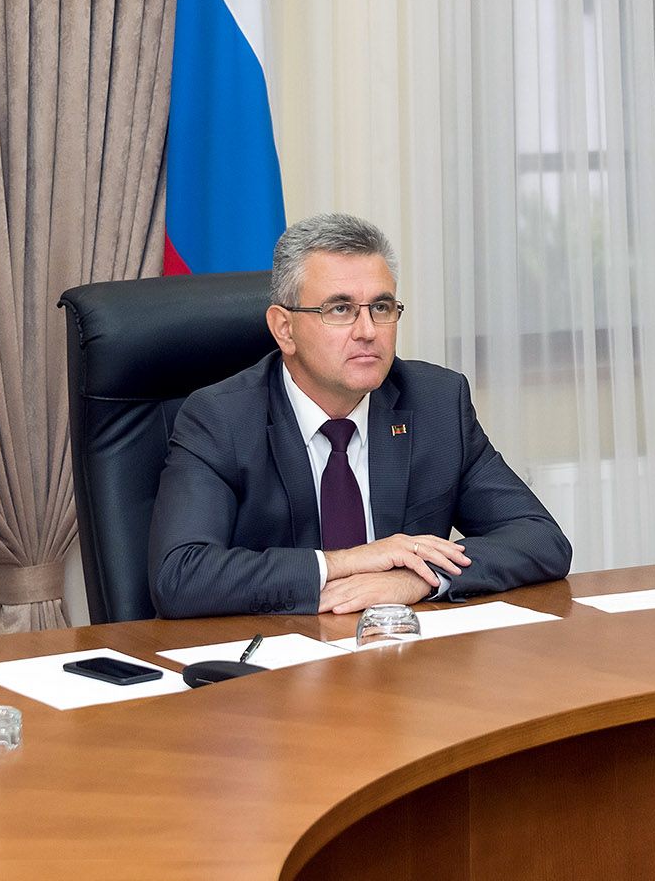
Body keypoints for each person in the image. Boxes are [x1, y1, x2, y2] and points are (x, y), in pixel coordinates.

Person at [149, 213, 572, 618]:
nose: (368, 331)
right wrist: (350, 561)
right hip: (278, 652)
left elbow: (540, 539)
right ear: (284, 329)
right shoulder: (221, 418)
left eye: (381, 308)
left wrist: (418, 578)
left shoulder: (437, 403)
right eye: (340, 309)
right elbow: (181, 575)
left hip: (400, 651)